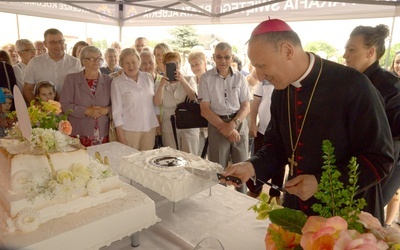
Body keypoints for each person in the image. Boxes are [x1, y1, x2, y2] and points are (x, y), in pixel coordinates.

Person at [221, 18, 394, 224]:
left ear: (287, 51)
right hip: (297, 208)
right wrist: (252, 166)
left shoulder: (353, 85)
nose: (259, 76)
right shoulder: (281, 90)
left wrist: (322, 183)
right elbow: (277, 146)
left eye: (262, 65)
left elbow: (379, 160)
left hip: (346, 213)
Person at [343, 24, 400, 227]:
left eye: (351, 50)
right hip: (349, 166)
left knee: (363, 225)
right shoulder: (348, 81)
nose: (345, 55)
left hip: (378, 169)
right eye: (345, 49)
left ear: (370, 52)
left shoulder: (390, 85)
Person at [198, 42, 251, 193]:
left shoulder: (240, 78)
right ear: (214, 57)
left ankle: (242, 203)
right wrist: (225, 127)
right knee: (218, 170)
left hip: (239, 122)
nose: (223, 60)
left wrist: (232, 125)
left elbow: (246, 106)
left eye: (226, 57)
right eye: (219, 57)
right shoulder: (206, 78)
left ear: (232, 57)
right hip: (216, 124)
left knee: (241, 168)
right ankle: (218, 203)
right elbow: (205, 110)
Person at [60, 46, 112, 147]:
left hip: (103, 133)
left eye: (99, 59)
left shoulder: (108, 80)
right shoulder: (71, 79)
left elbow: (117, 105)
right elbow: (65, 105)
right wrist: (86, 110)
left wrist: (107, 110)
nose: (96, 62)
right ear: (83, 60)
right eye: (92, 59)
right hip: (79, 133)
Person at [111, 48, 158, 151]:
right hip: (129, 130)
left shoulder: (148, 77)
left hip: (149, 128)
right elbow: (116, 112)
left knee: (146, 162)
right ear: (122, 64)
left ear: (138, 62)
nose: (131, 66)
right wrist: (120, 136)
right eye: (126, 63)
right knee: (130, 163)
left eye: (133, 62)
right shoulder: (117, 82)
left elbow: (153, 104)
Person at [154, 51, 199, 155]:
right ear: (164, 67)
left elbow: (194, 98)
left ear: (180, 64)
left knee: (191, 158)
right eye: (170, 65)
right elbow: (157, 102)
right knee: (171, 158)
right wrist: (161, 86)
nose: (174, 67)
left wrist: (182, 81)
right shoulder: (160, 83)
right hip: (169, 126)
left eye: (176, 64)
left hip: (188, 126)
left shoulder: (189, 79)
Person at [23, 28, 82, 103]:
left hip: (69, 110)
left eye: (60, 41)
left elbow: (82, 89)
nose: (58, 45)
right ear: (45, 44)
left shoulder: (76, 63)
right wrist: (37, 105)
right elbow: (27, 89)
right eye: (53, 42)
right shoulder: (35, 63)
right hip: (44, 111)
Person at [246, 80, 282, 201]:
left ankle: (275, 194)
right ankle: (255, 189)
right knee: (257, 160)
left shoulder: (287, 79)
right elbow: (255, 104)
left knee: (280, 164)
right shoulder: (263, 81)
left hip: (281, 132)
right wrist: (252, 124)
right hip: (262, 130)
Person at [188, 50, 208, 156]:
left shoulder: (211, 79)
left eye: (197, 64)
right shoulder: (191, 80)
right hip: (196, 123)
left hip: (210, 122)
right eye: (192, 65)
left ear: (204, 63)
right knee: (198, 154)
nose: (195, 68)